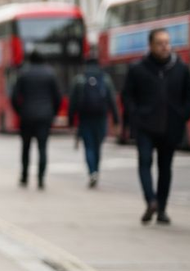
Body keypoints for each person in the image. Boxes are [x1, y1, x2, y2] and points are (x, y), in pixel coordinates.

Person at [122, 28, 190, 225]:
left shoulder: (180, 68)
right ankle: (151, 200)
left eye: (167, 42)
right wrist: (135, 115)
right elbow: (127, 96)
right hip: (145, 125)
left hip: (171, 125)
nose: (165, 46)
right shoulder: (137, 69)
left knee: (165, 168)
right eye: (160, 43)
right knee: (145, 162)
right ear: (151, 45)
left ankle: (161, 208)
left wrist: (183, 114)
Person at [11, 51, 62, 190]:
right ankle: (41, 179)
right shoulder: (50, 74)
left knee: (26, 148)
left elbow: (14, 97)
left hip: (26, 115)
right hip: (45, 116)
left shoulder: (23, 73)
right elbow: (58, 97)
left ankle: (24, 176)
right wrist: (53, 113)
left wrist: (20, 111)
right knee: (42, 148)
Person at [68, 57, 120, 188]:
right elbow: (112, 101)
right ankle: (96, 170)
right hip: (101, 118)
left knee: (89, 146)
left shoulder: (79, 80)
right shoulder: (105, 79)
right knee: (97, 146)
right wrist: (116, 119)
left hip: (85, 119)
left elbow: (72, 103)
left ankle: (92, 172)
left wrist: (70, 121)